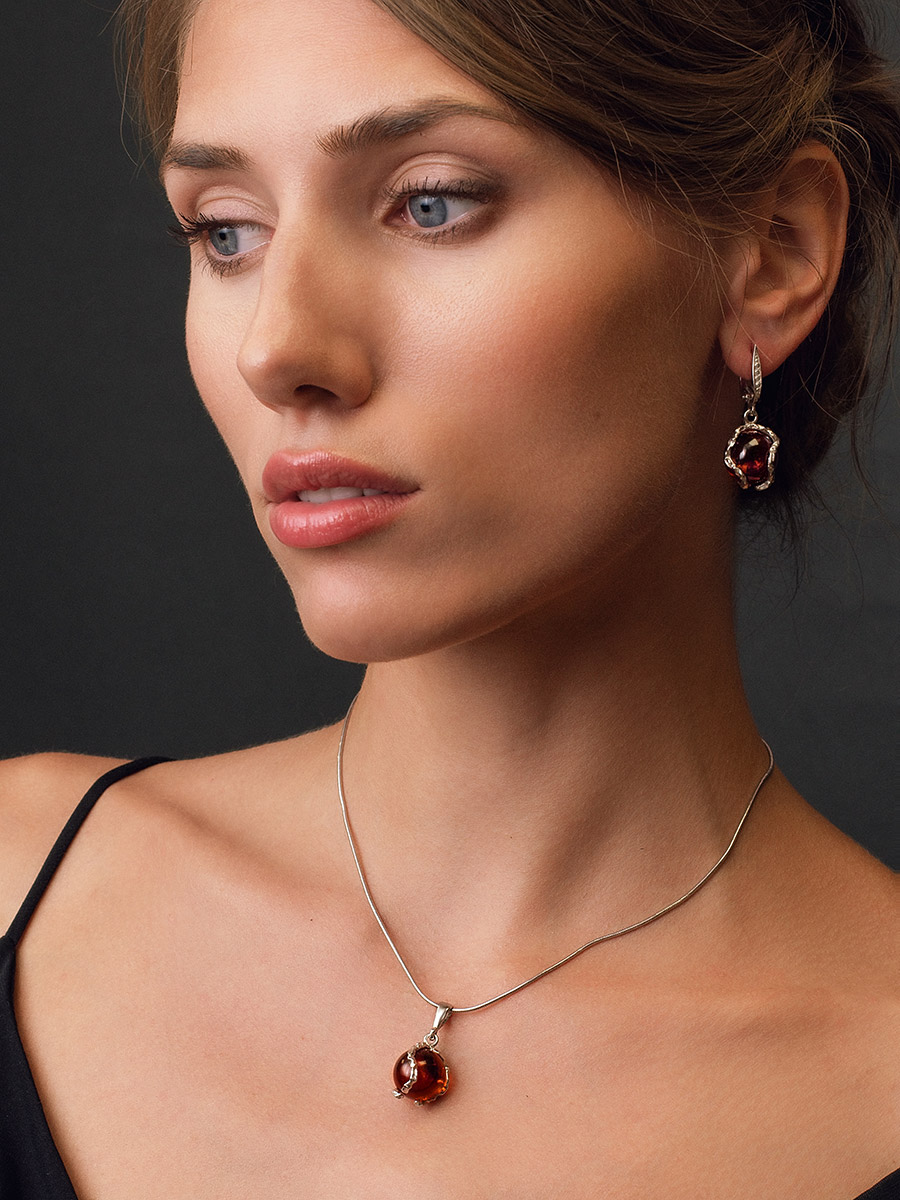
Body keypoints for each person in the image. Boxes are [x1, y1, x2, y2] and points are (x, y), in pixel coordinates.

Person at [1, 0, 898, 1195]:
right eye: (227, 231)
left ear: (774, 250)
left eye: (432, 202)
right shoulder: (18, 880)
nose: (277, 348)